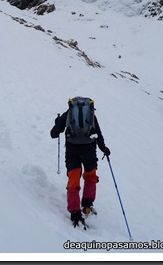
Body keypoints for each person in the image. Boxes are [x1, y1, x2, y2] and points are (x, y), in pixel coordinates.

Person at [50, 97, 111, 228]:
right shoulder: (92, 116)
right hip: (89, 150)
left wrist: (57, 124)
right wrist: (104, 149)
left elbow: (54, 134)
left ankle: (74, 212)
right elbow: (98, 135)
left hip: (72, 150)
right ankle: (87, 203)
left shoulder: (68, 114)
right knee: (90, 176)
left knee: (74, 179)